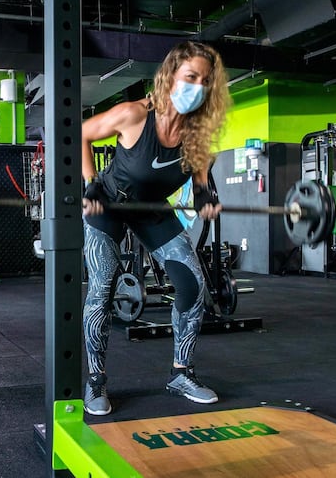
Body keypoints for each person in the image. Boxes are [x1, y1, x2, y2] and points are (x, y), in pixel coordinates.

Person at [81, 41, 230, 416]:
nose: (198, 86)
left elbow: (200, 180)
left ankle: (182, 373)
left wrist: (203, 196)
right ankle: (96, 380)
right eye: (191, 76)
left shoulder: (198, 136)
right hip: (110, 205)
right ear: (170, 77)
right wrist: (91, 182)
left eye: (205, 81)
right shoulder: (134, 115)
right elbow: (79, 133)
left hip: (151, 211)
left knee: (193, 286)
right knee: (102, 288)